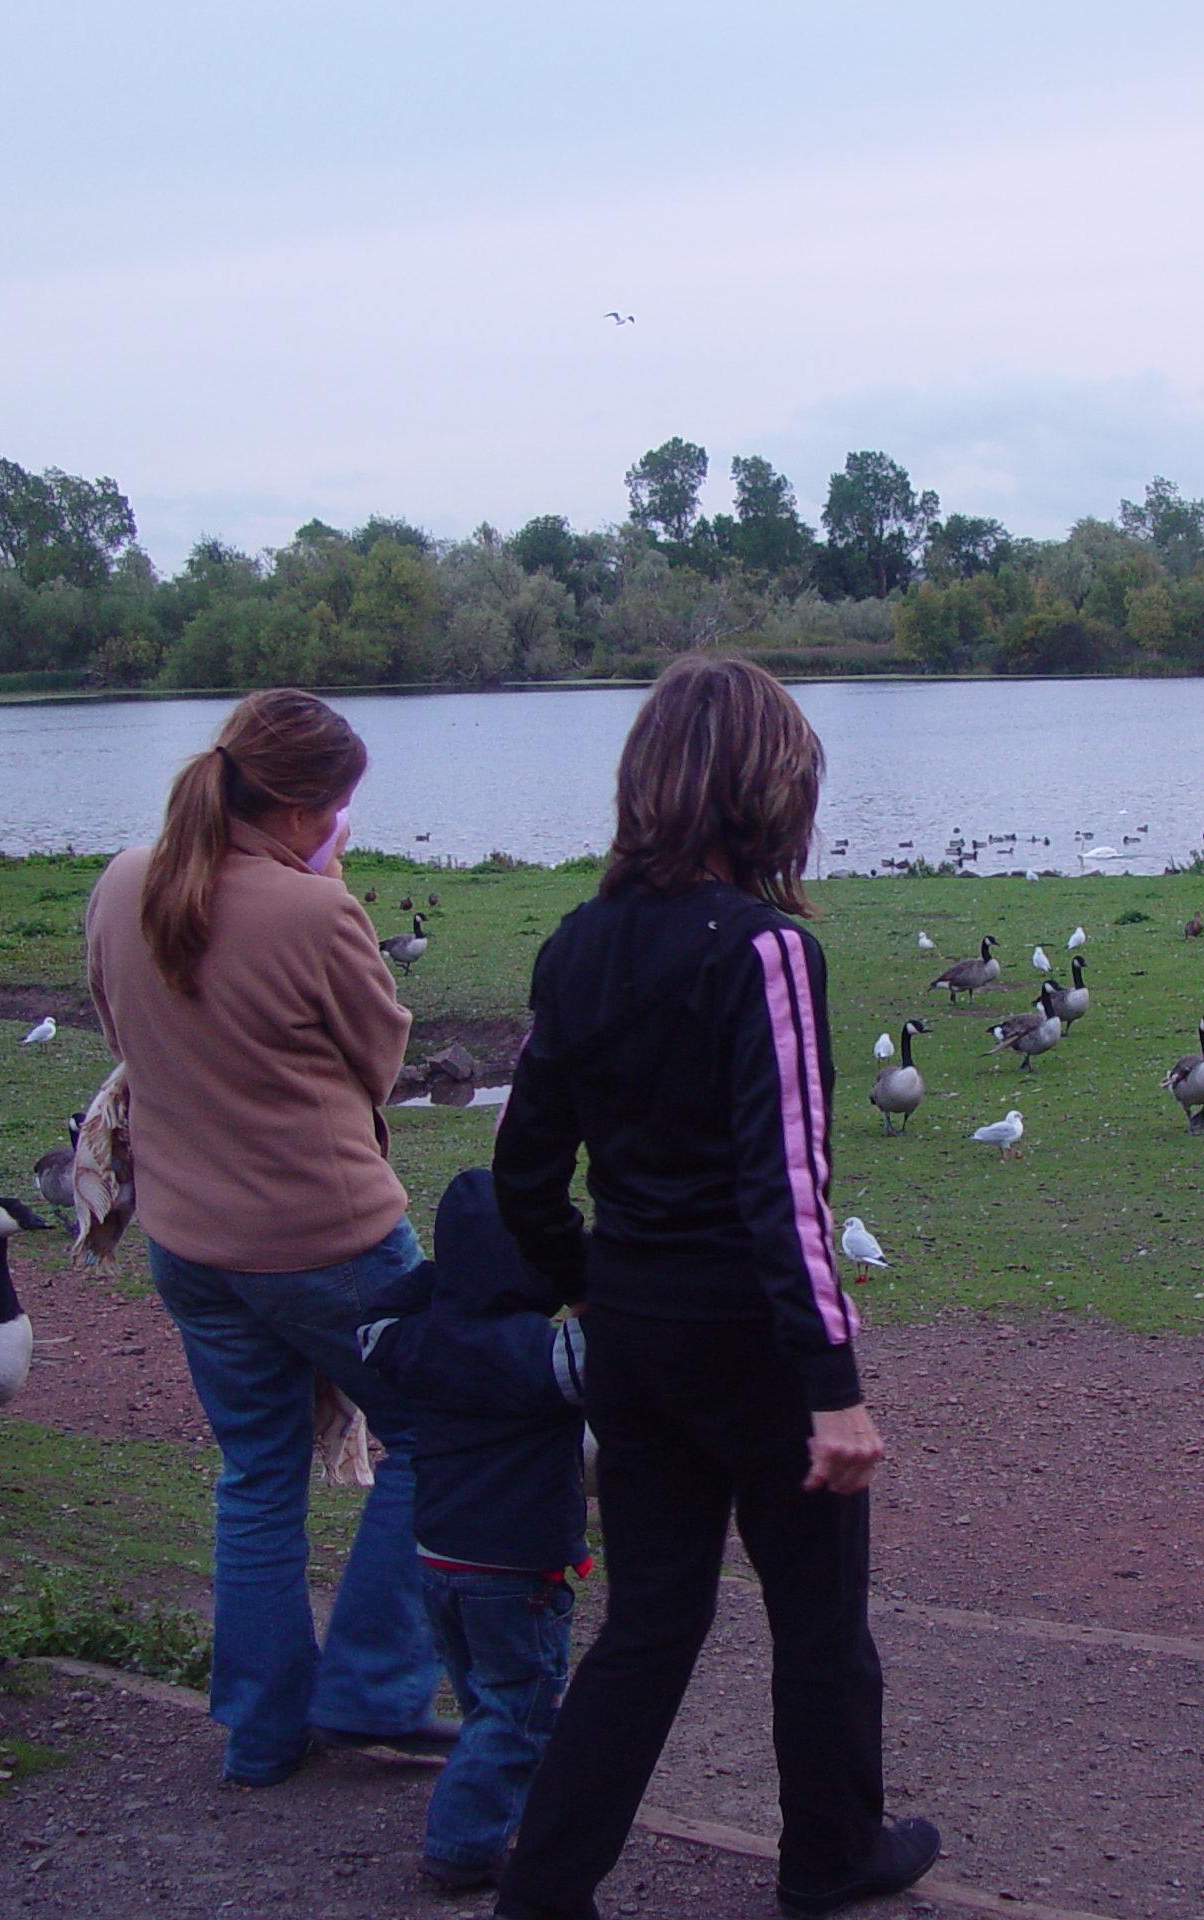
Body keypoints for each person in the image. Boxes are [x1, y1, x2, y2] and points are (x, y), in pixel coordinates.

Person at [490, 654, 937, 1920]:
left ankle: (544, 1887)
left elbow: (523, 1174)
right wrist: (834, 1391)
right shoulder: (767, 954)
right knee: (819, 1622)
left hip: (631, 1337)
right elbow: (788, 1189)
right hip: (748, 1346)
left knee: (647, 1625)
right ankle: (831, 1856)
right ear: (769, 793)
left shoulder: (574, 944)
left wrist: (593, 1285)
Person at [83, 687, 453, 1787]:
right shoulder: (313, 910)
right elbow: (382, 1059)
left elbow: (121, 1029)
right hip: (328, 1242)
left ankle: (260, 1729)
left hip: (192, 1246)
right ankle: (374, 1692)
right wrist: (325, 888)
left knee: (255, 1472)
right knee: (445, 1431)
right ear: (308, 812)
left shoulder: (119, 883)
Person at [358, 1166, 589, 1894]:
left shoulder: (415, 1339)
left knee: (488, 1700)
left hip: (438, 1559)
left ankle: (499, 1813)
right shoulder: (537, 1354)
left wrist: (448, 1274)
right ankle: (461, 1848)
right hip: (514, 1570)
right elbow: (611, 1347)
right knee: (517, 1713)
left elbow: (373, 1318)